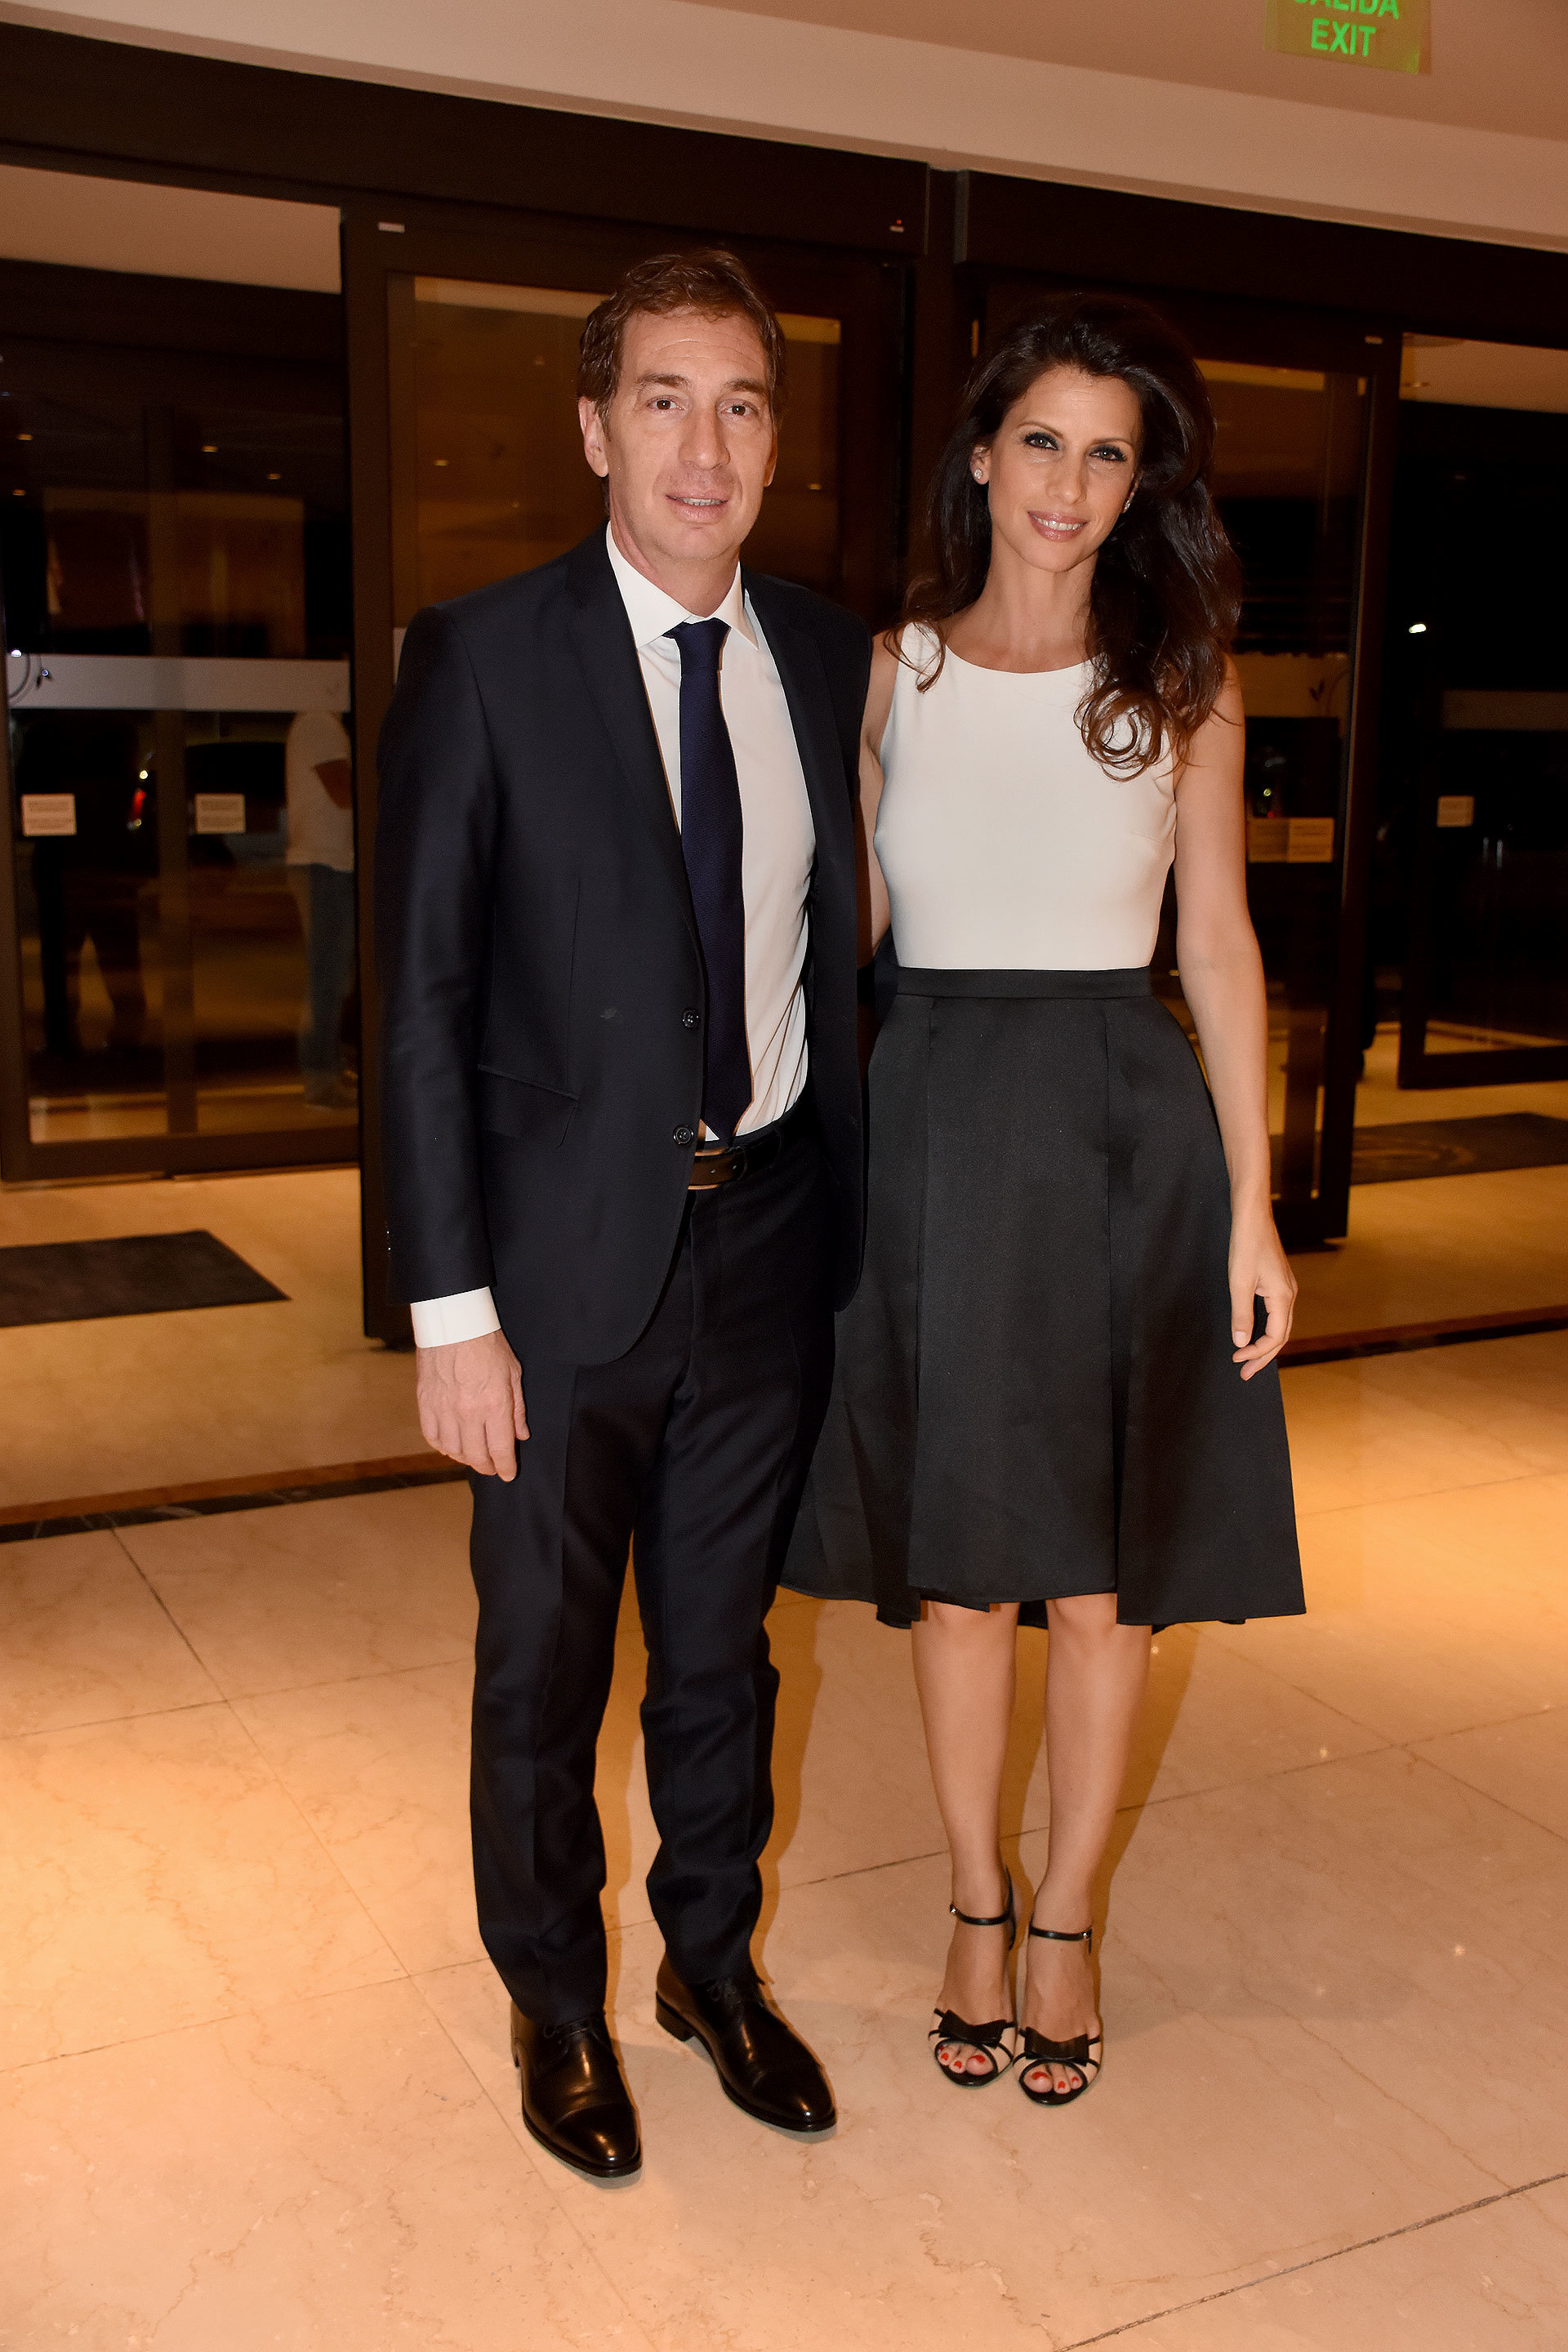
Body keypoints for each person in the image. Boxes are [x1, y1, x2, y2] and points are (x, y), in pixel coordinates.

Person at [376, 251, 869, 2180]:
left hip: (765, 1244)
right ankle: (557, 2002)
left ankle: (709, 1968)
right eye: (663, 399)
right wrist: (450, 1312)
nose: (704, 444)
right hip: (557, 1272)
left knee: (725, 1652)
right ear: (595, 429)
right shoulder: (483, 655)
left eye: (740, 404)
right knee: (543, 1665)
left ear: (774, 442)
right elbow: (418, 1003)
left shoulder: (824, 656)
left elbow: (837, 947)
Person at [786, 296, 1304, 2109]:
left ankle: (1069, 1918)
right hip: (928, 1121)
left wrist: (1254, 1208)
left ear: (1139, 484)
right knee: (959, 1586)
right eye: (1041, 442)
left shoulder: (1185, 686)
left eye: (1107, 453)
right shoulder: (891, 674)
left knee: (1098, 1585)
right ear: (983, 457)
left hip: (1122, 1138)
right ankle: (975, 1902)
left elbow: (1219, 951)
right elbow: (837, 930)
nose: (1069, 484)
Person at [284, 704, 357, 1108]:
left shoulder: (322, 722)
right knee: (328, 973)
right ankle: (320, 1078)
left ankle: (327, 1065)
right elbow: (344, 792)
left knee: (334, 971)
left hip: (330, 863)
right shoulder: (317, 721)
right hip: (322, 863)